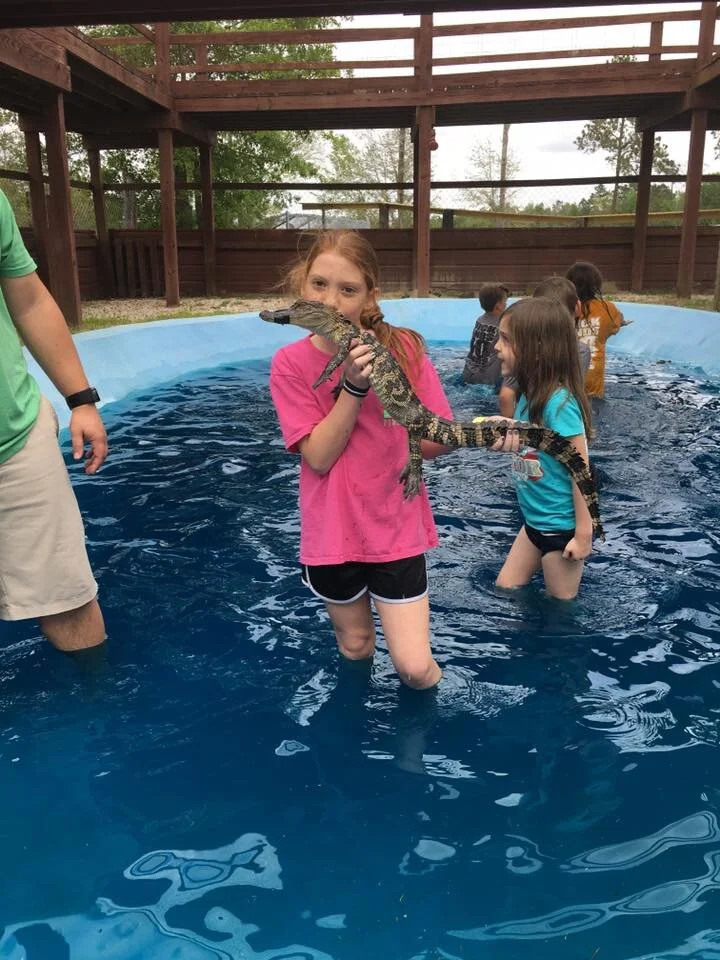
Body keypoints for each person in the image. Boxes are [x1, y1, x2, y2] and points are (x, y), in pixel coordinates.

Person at [269, 230, 517, 690]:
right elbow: (319, 458)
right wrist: (353, 386)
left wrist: (480, 436)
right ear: (302, 286)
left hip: (394, 523)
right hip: (333, 529)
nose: (331, 301)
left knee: (414, 667)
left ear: (369, 297)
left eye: (348, 290)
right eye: (319, 284)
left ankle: (425, 746)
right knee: (357, 646)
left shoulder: (404, 348)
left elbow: (431, 436)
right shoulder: (288, 363)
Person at [0, 189, 107, 653]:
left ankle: (102, 714)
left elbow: (27, 299)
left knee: (70, 601)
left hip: (15, 437)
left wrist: (80, 399)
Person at [493, 297, 593, 601]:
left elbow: (581, 469)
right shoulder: (528, 397)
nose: (497, 346)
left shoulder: (558, 404)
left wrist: (584, 533)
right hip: (534, 522)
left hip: (560, 531)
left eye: (506, 339)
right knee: (505, 589)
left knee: (561, 611)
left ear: (537, 350)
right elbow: (539, 442)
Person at [565, 260, 632, 398]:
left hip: (566, 379)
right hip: (592, 380)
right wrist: (621, 321)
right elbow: (616, 323)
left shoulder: (562, 308)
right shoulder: (608, 309)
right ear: (597, 284)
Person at [533, 275, 591, 379]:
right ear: (578, 307)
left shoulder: (523, 345)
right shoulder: (580, 351)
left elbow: (507, 393)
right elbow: (574, 391)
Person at [462, 282, 508, 387]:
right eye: (505, 302)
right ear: (498, 307)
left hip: (468, 372)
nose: (506, 304)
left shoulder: (479, 321)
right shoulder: (502, 325)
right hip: (487, 378)